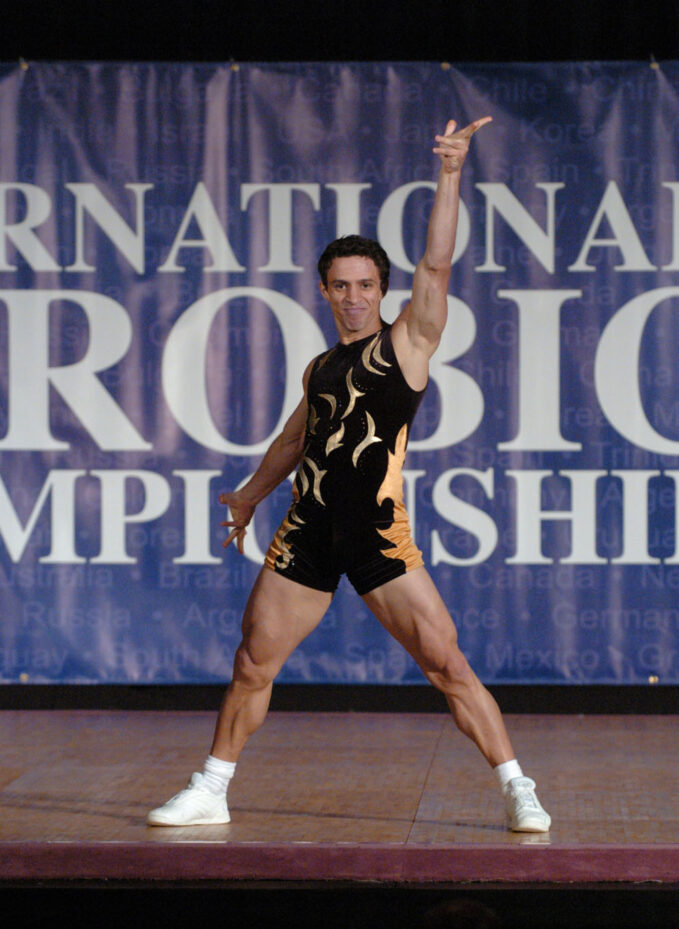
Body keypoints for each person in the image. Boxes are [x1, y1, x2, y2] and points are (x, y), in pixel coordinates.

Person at [147, 117, 551, 833]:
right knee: (252, 664)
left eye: (365, 285)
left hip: (376, 533)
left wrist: (450, 172)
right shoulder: (321, 366)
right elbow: (293, 439)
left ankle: (518, 789)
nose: (353, 296)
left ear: (383, 290)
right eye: (341, 285)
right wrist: (249, 496)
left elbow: (436, 266)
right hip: (306, 530)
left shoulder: (409, 342)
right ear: (325, 291)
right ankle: (210, 787)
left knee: (446, 666)